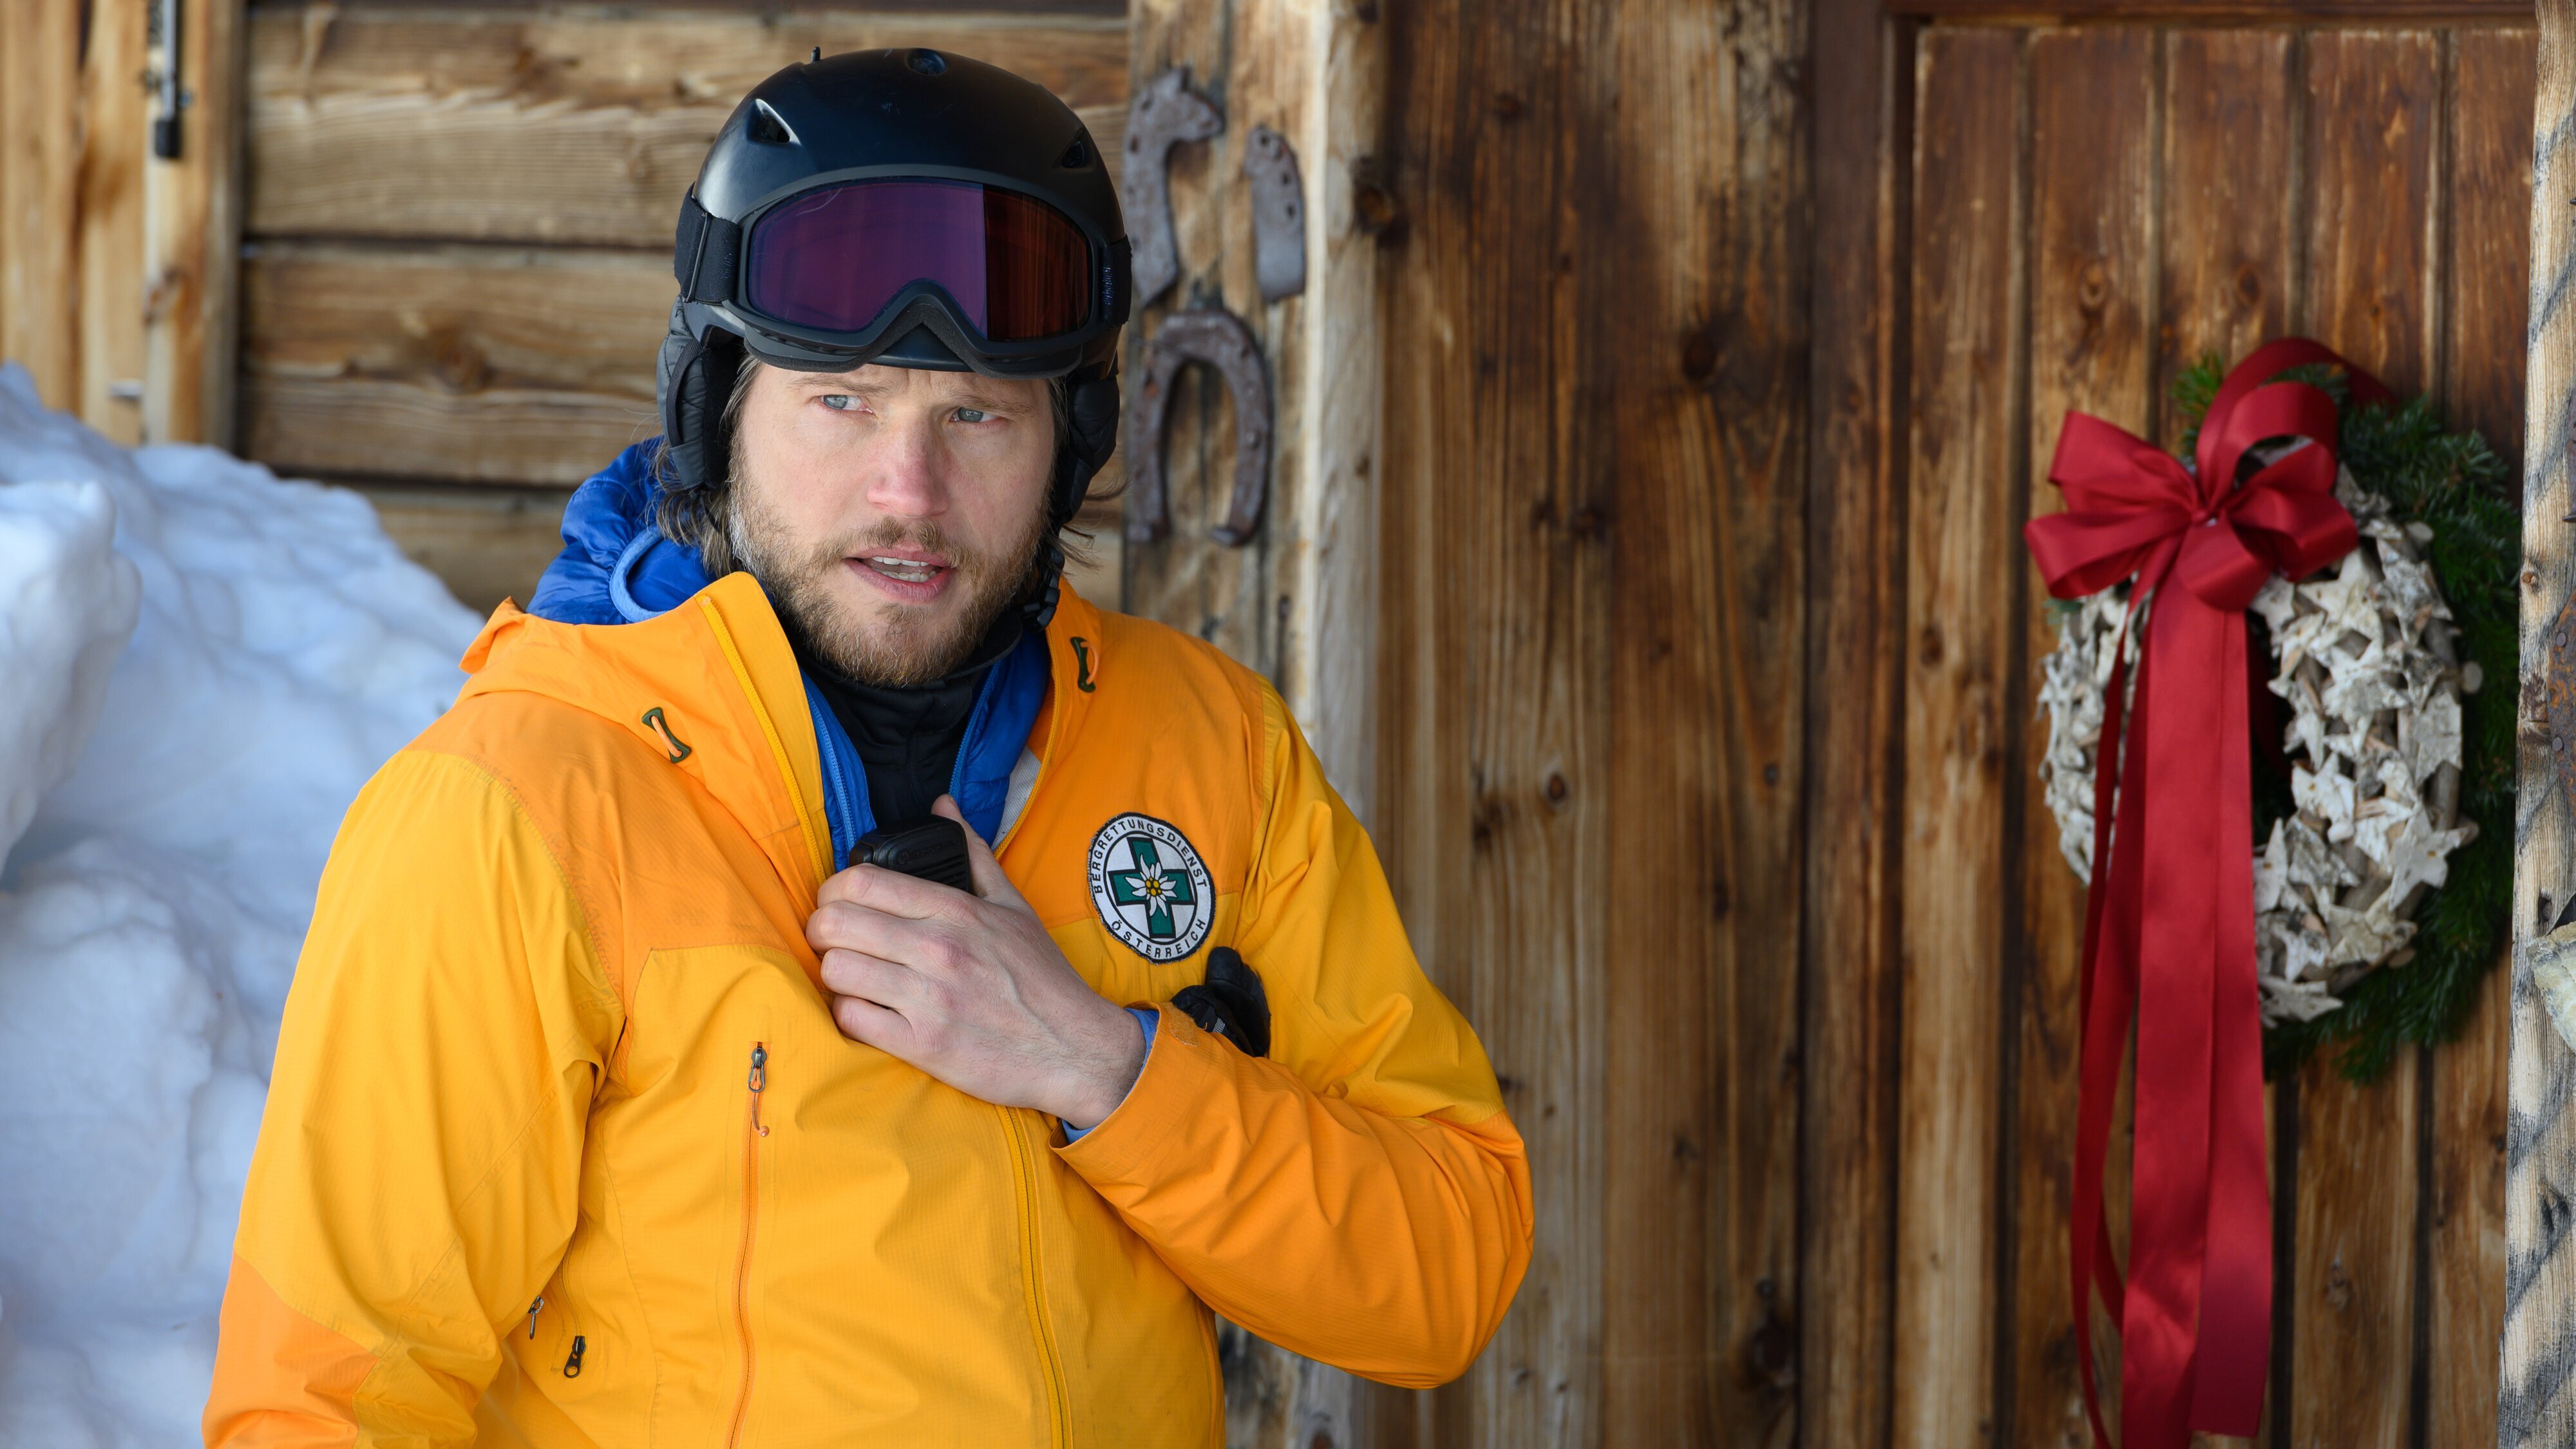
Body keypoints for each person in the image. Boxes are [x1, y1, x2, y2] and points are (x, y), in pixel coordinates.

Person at [202, 46, 1531, 1447]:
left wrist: (1109, 1070)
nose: (909, 491)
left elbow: (1444, 1281)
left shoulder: (1213, 750)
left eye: (976, 413)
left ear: (1070, 440)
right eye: (840, 399)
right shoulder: (515, 809)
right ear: (717, 407)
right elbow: (320, 1407)